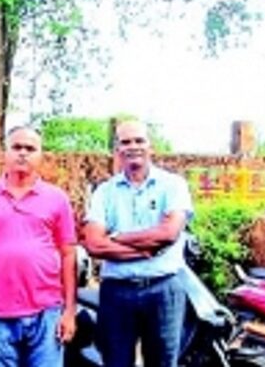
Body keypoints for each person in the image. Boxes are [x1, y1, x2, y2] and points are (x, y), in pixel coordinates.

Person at [0, 125, 77, 366]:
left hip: (46, 313)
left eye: (30, 148)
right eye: (17, 147)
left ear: (40, 155)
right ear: (5, 153)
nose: (23, 153)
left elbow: (68, 254)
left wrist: (69, 311)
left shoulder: (57, 199)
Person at [82, 119, 193, 367]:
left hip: (164, 289)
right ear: (117, 150)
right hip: (117, 292)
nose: (133, 146)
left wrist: (117, 237)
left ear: (150, 146)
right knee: (115, 362)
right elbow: (94, 245)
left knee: (163, 362)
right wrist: (145, 249)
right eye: (125, 142)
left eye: (139, 140)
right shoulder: (105, 192)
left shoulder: (173, 185)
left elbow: (168, 234)